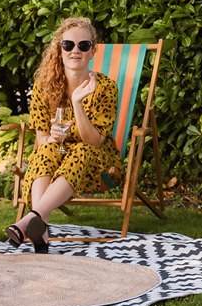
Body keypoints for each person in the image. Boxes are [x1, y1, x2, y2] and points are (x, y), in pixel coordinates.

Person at [8, 16, 122, 253]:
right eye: (68, 45)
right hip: (56, 154)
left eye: (83, 45)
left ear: (93, 50)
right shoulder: (43, 86)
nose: (75, 51)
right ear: (59, 49)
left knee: (81, 149)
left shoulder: (105, 88)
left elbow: (94, 141)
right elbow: (40, 139)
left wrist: (77, 103)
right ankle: (41, 228)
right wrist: (50, 138)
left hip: (95, 159)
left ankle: (30, 220)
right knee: (46, 149)